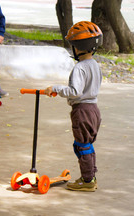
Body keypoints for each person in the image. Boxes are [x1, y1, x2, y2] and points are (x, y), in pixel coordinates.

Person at [44, 21, 103, 192]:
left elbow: (75, 91)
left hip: (82, 111)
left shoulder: (80, 68)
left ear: (79, 47)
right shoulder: (95, 66)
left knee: (81, 145)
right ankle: (90, 176)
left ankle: (87, 181)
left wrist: (55, 88)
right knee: (87, 144)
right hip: (94, 110)